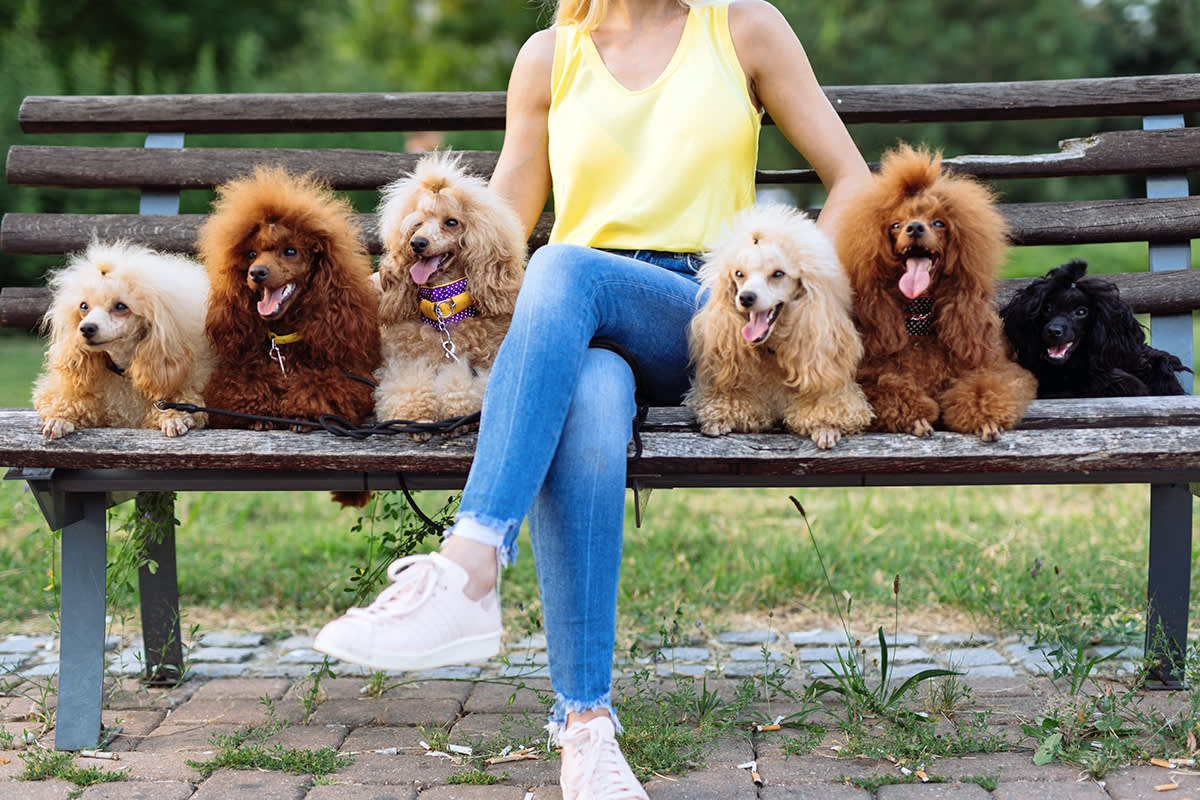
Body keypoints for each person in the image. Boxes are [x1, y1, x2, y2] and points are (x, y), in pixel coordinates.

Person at [315, 0, 870, 796]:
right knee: (590, 402)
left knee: (563, 265)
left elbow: (852, 177)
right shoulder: (549, 56)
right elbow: (500, 226)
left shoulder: (743, 27)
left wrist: (800, 288)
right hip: (576, 328)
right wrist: (361, 295)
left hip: (705, 307)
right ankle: (586, 729)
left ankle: (469, 566)